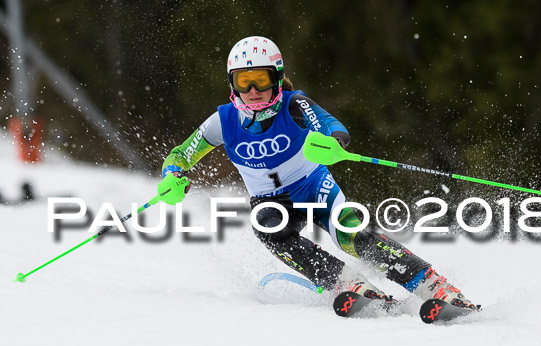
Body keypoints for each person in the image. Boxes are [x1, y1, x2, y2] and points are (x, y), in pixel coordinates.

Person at [158, 35, 477, 310]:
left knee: (352, 236)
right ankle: (348, 284)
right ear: (233, 83)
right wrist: (172, 175)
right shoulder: (222, 122)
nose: (253, 89)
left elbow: (330, 125)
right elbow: (181, 154)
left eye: (262, 79)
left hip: (314, 187)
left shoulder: (294, 105)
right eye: (244, 81)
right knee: (268, 229)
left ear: (277, 78)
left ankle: (435, 287)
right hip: (271, 204)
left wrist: (333, 143)